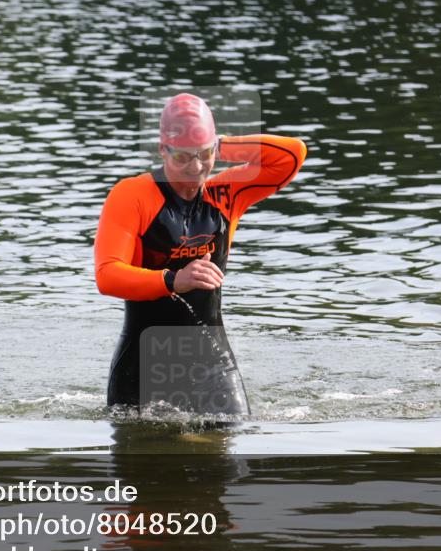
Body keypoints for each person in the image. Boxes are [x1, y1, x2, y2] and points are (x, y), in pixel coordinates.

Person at [94, 93, 307, 414]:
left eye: (204, 155)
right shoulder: (133, 195)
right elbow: (107, 275)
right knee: (141, 456)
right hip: (141, 361)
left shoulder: (227, 194)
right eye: (182, 157)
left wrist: (219, 145)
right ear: (162, 149)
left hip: (211, 362)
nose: (195, 168)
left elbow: (292, 155)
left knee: (230, 445)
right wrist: (173, 280)